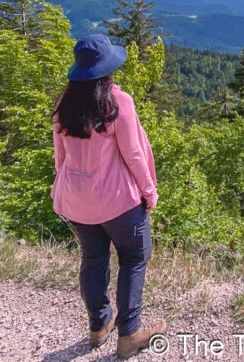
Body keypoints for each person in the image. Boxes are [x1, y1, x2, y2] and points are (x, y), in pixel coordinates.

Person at [51, 34, 166, 356]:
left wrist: (58, 187)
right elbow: (134, 154)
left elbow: (60, 157)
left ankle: (98, 325)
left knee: (93, 258)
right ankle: (129, 334)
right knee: (134, 258)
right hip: (118, 201)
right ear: (108, 70)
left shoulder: (64, 104)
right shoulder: (117, 103)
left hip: (75, 200)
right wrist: (149, 191)